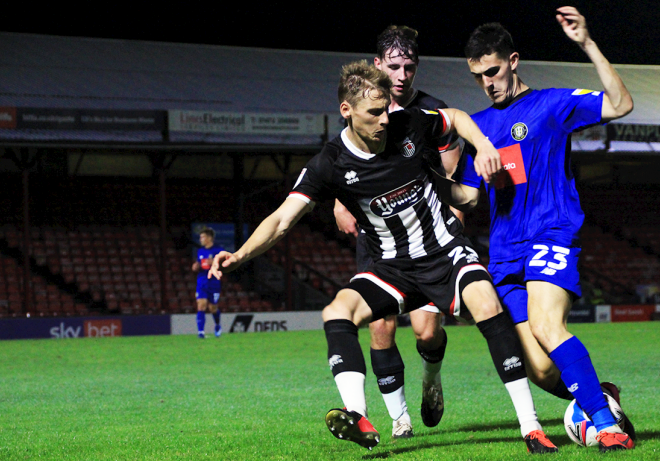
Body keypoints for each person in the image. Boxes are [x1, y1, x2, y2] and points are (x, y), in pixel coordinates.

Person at [210, 60, 559, 454]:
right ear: (347, 111)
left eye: (385, 109)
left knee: (484, 301)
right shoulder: (330, 163)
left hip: (445, 252)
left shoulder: (408, 123)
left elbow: (457, 117)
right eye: (374, 113)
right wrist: (239, 255)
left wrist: (484, 147)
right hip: (392, 266)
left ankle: (530, 428)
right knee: (337, 312)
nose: (384, 120)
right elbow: (281, 221)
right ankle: (357, 415)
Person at [448, 8, 636, 452]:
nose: (487, 82)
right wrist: (427, 183)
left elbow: (621, 104)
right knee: (539, 367)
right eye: (478, 76)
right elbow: (469, 197)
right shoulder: (479, 126)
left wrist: (586, 42)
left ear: (513, 61)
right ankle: (595, 397)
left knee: (548, 326)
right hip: (504, 255)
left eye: (492, 71)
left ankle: (608, 426)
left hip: (551, 233)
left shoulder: (552, 104)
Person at [332, 25, 461, 439]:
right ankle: (399, 419)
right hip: (379, 241)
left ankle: (431, 379)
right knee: (381, 327)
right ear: (377, 65)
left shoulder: (432, 113)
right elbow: (343, 165)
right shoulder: (364, 106)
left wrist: (455, 212)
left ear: (417, 67)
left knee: (426, 332)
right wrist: (338, 201)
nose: (402, 75)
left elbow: (452, 176)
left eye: (409, 66)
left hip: (425, 239)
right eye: (393, 66)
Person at [191, 227, 224, 338]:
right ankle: (201, 332)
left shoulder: (218, 250)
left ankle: (218, 325)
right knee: (201, 305)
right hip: (202, 281)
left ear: (209, 238)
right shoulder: (200, 251)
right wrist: (196, 266)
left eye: (203, 237)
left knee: (212, 308)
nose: (200, 239)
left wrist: (214, 262)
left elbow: (224, 265)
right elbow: (199, 264)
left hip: (214, 282)